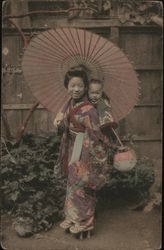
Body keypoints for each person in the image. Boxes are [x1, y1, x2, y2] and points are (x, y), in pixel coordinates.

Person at [54, 66, 109, 237]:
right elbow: (65, 122)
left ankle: (85, 222)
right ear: (67, 86)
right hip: (72, 148)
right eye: (72, 85)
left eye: (79, 86)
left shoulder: (89, 109)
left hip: (85, 151)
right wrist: (62, 125)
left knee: (82, 184)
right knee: (72, 182)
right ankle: (73, 216)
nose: (76, 89)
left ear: (85, 87)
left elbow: (96, 135)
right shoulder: (69, 103)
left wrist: (82, 134)